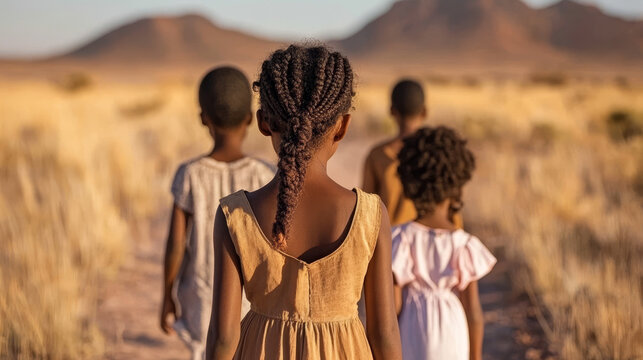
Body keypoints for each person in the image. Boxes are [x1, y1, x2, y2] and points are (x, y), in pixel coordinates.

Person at [205, 45, 402, 360]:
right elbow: (385, 335)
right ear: (343, 126)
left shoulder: (235, 216)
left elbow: (224, 338)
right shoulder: (370, 215)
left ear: (263, 122)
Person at [160, 66, 275, 360]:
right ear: (251, 119)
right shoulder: (265, 174)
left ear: (203, 118)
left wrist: (167, 295)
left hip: (201, 299)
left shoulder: (189, 175)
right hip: (255, 303)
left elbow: (175, 245)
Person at [393, 126, 497, 360]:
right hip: (454, 332)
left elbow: (394, 308)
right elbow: (474, 313)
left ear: (409, 182)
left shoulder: (401, 238)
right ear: (457, 184)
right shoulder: (464, 243)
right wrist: (476, 357)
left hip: (412, 333)